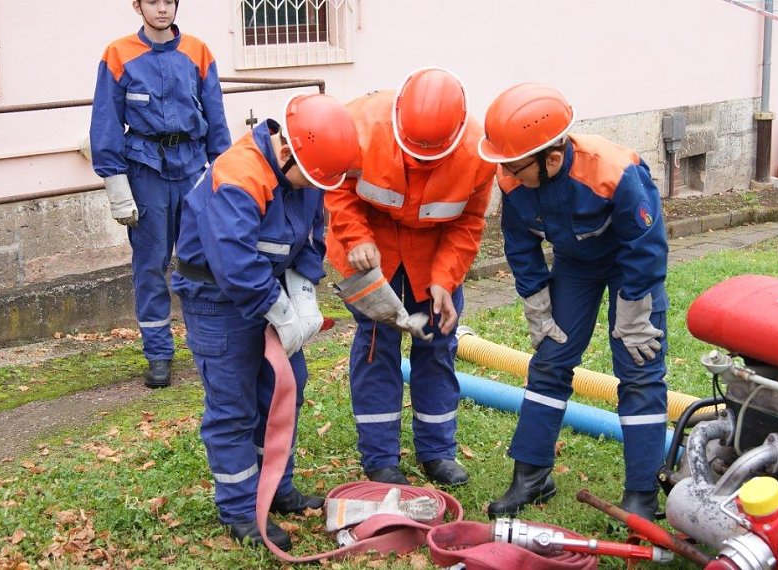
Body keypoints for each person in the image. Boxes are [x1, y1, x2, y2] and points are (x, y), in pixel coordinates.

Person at [170, 93, 360, 549]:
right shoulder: (241, 173)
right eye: (309, 179)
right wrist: (277, 306)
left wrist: (305, 290)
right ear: (287, 150)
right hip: (218, 299)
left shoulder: (311, 169)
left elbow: (314, 234)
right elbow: (234, 262)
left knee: (282, 392)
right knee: (234, 406)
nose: (312, 188)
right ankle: (240, 510)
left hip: (267, 286)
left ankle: (274, 487)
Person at [477, 83, 669, 521]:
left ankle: (642, 492)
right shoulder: (515, 178)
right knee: (550, 359)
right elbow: (520, 243)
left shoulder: (613, 171)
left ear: (553, 158)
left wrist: (636, 308)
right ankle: (532, 475)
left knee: (640, 369)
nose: (505, 173)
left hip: (629, 265)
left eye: (514, 164)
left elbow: (646, 242)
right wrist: (537, 302)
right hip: (577, 267)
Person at [325, 67, 496, 487]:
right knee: (376, 345)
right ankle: (380, 458)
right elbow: (336, 187)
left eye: (431, 157)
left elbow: (468, 222)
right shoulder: (359, 125)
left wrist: (444, 279)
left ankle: (437, 452)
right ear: (399, 121)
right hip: (370, 248)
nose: (420, 164)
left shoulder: (477, 153)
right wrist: (357, 238)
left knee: (438, 343)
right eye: (414, 154)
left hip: (432, 251)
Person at [90, 0, 231, 389]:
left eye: (168, 1)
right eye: (152, 1)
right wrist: (115, 183)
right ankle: (158, 354)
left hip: (192, 168)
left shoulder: (198, 51)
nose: (162, 9)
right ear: (137, 6)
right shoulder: (118, 54)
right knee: (151, 265)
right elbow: (105, 119)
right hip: (145, 171)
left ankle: (211, 345)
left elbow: (216, 116)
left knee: (202, 261)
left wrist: (223, 175)